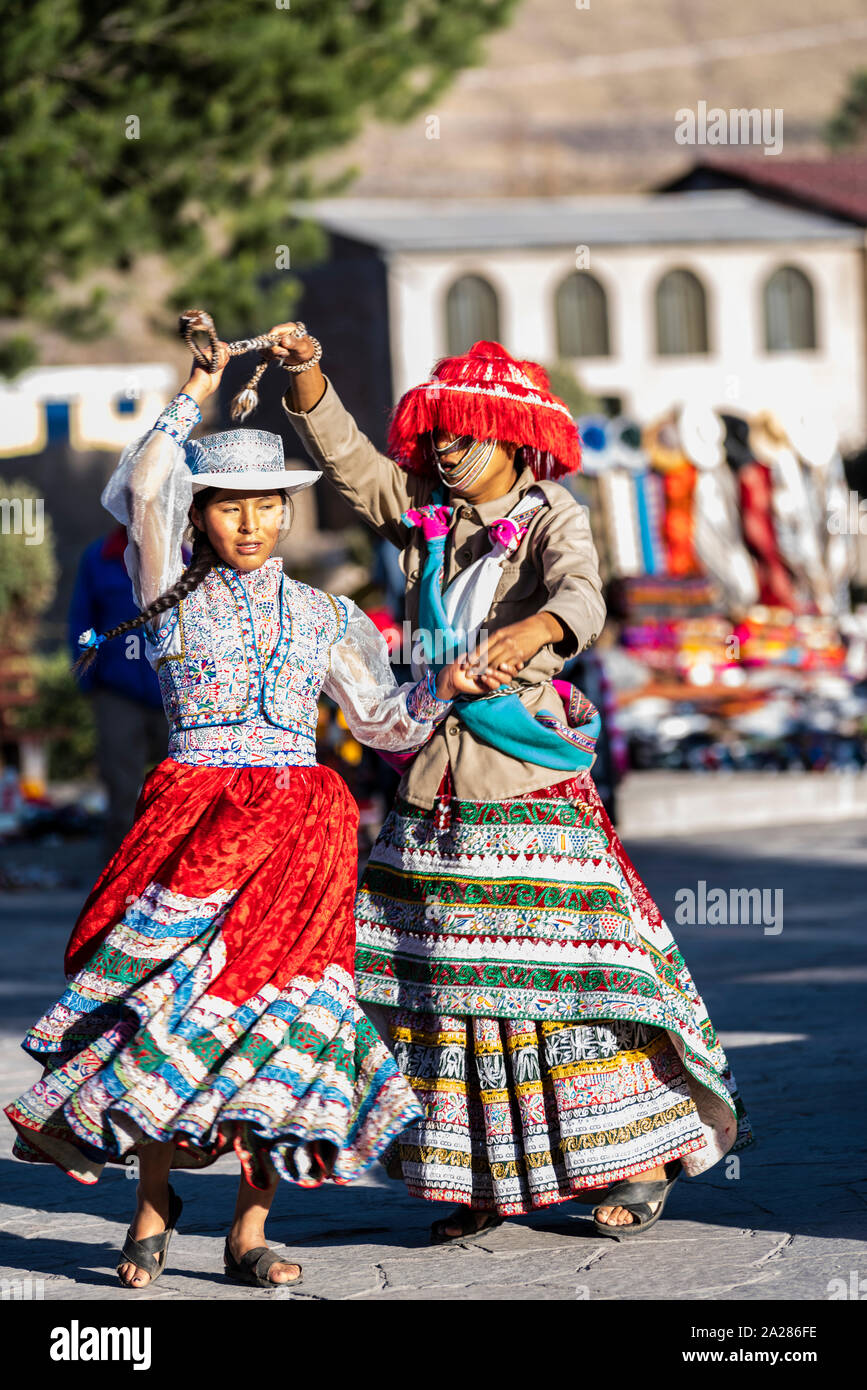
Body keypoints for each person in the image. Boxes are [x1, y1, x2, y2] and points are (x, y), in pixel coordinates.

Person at [4, 337, 517, 1290]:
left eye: (268, 504)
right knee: (163, 1015)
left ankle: (250, 1232)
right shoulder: (166, 593)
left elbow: (383, 723)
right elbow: (146, 481)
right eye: (230, 505)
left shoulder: (328, 617)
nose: (251, 522)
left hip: (300, 837)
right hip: (193, 825)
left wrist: (442, 687)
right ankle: (152, 1205)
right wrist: (197, 388)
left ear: (287, 510)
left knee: (282, 1028)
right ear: (198, 514)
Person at [273, 327, 753, 1243]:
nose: (446, 452)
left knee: (572, 981)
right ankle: (486, 1175)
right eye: (437, 437)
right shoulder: (421, 511)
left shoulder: (551, 516)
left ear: (510, 439)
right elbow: (349, 464)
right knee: (442, 989)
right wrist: (307, 375)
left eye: (464, 437)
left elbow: (582, 595)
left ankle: (637, 1158)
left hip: (523, 780)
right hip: (433, 782)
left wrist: (532, 632)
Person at [68, 523, 169, 857]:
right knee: (122, 785)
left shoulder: (181, 557)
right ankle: (119, 866)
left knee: (179, 783)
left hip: (172, 691)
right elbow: (82, 621)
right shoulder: (99, 558)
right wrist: (88, 681)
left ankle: (172, 866)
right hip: (117, 691)